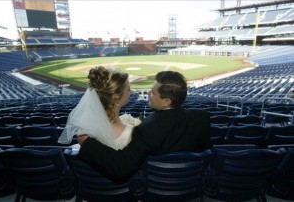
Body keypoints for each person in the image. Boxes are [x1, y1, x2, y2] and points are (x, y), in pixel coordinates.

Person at [77, 70, 212, 182]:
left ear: (166, 101)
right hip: (191, 184)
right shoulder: (203, 117)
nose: (148, 93)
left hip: (158, 189)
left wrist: (86, 142)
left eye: (153, 92)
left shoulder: (146, 130)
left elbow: (120, 168)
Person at [58, 66, 141, 150]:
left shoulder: (84, 133)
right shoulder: (131, 133)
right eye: (128, 89)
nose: (130, 92)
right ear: (116, 97)